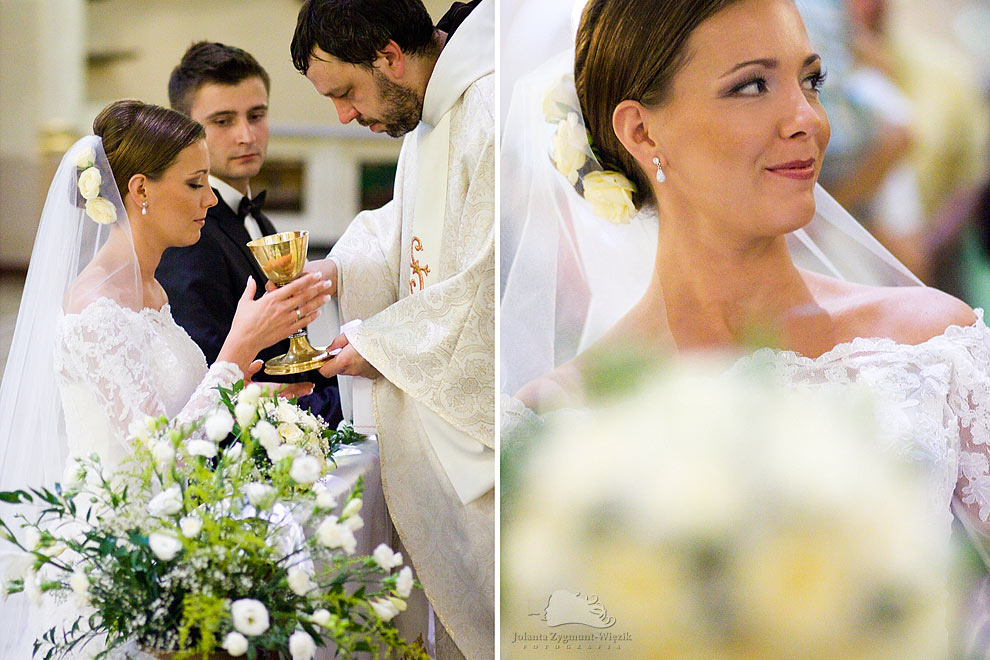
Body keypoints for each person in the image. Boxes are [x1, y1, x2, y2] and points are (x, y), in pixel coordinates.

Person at [500, 0, 989, 653]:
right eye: (752, 85)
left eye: (810, 80)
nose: (808, 119)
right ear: (641, 132)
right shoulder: (558, 419)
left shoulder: (932, 346)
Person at [0, 100, 330, 657]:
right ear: (140, 190)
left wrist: (254, 393)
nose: (210, 199)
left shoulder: (152, 290)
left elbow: (177, 411)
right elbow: (159, 457)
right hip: (121, 561)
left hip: (174, 536)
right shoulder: (94, 310)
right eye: (195, 183)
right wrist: (238, 347)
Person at [290, 1, 494, 659]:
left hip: (491, 445)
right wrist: (336, 271)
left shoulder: (488, 112)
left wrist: (379, 346)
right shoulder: (429, 118)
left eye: (346, 93)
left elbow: (489, 284)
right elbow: (404, 233)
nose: (344, 116)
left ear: (389, 56)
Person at [158, 42, 342, 425]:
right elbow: (211, 378)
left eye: (256, 115)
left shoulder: (259, 222)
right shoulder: (189, 237)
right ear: (185, 131)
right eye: (223, 121)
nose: (246, 135)